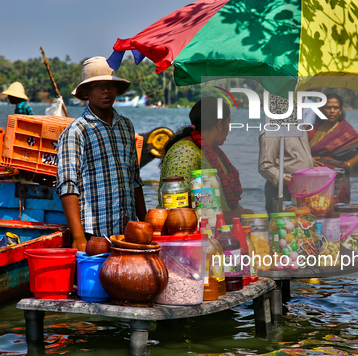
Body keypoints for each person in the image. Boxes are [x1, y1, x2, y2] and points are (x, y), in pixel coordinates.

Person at [56, 56, 146, 252]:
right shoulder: (77, 131)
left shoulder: (126, 126)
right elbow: (67, 186)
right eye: (98, 86)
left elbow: (135, 180)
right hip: (94, 233)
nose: (106, 91)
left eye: (110, 85)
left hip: (126, 230)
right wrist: (79, 237)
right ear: (86, 92)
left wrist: (145, 223)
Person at [158, 96, 252, 223]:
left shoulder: (212, 152)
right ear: (219, 124)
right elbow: (177, 211)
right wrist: (231, 216)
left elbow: (222, 202)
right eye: (228, 122)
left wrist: (241, 214)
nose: (229, 129)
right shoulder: (184, 152)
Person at [309, 93, 358, 204]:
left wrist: (349, 164)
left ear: (340, 111)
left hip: (337, 181)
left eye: (336, 108)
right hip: (313, 180)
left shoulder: (345, 130)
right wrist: (309, 159)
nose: (332, 111)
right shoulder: (312, 130)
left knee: (335, 214)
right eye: (328, 107)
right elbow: (301, 150)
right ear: (321, 110)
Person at [258, 95, 314, 214]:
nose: (300, 104)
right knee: (281, 228)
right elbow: (265, 166)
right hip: (282, 193)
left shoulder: (300, 128)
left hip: (303, 192)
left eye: (302, 100)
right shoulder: (273, 130)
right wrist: (291, 181)